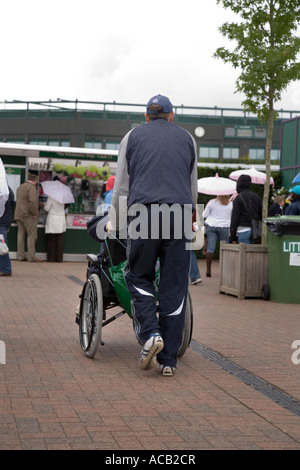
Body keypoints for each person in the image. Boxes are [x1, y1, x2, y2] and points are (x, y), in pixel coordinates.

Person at [107, 94, 198, 377]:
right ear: (172, 115)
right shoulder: (188, 140)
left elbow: (122, 185)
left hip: (144, 213)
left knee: (138, 275)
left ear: (146, 116)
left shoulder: (131, 137)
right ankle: (168, 360)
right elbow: (191, 185)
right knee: (174, 284)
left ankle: (150, 333)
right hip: (180, 214)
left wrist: (115, 223)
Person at [14, 173, 43, 262]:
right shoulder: (31, 188)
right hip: (28, 215)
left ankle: (21, 256)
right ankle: (31, 256)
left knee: (20, 235)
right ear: (35, 181)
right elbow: (32, 202)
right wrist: (35, 213)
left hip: (19, 214)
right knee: (31, 236)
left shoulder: (20, 187)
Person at [203, 195, 232, 277]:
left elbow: (204, 215)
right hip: (224, 227)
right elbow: (232, 216)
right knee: (225, 248)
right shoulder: (230, 204)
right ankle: (225, 271)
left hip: (211, 226)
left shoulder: (211, 202)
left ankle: (208, 270)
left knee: (210, 248)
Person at [229, 174, 262, 244]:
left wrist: (232, 237)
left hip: (243, 229)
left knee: (244, 253)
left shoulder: (238, 198)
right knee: (252, 253)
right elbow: (261, 214)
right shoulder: (257, 197)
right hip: (255, 230)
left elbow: (235, 218)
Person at [44, 195, 66, 262]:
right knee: (60, 240)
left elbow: (47, 208)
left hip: (53, 219)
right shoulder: (63, 198)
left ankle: (51, 258)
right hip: (61, 218)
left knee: (51, 240)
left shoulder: (51, 197)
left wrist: (44, 205)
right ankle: (59, 258)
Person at [0, 185, 14, 276]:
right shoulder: (8, 189)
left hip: (2, 221)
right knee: (1, 245)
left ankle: (6, 269)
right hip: (4, 221)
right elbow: (11, 205)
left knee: (2, 246)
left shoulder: (4, 190)